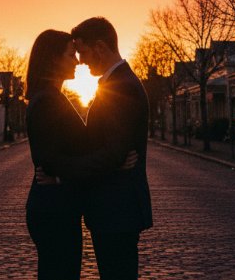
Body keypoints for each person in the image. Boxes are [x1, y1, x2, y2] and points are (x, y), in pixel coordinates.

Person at [65, 17, 153, 280]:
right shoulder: (115, 83)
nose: (81, 60)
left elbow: (114, 152)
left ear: (100, 47)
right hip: (115, 209)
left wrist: (66, 171)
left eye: (83, 51)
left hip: (116, 209)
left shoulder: (121, 86)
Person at [25, 29, 86, 280]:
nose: (78, 61)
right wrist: (62, 178)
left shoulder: (51, 97)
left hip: (56, 206)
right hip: (54, 210)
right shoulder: (48, 101)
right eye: (71, 55)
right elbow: (49, 158)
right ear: (53, 59)